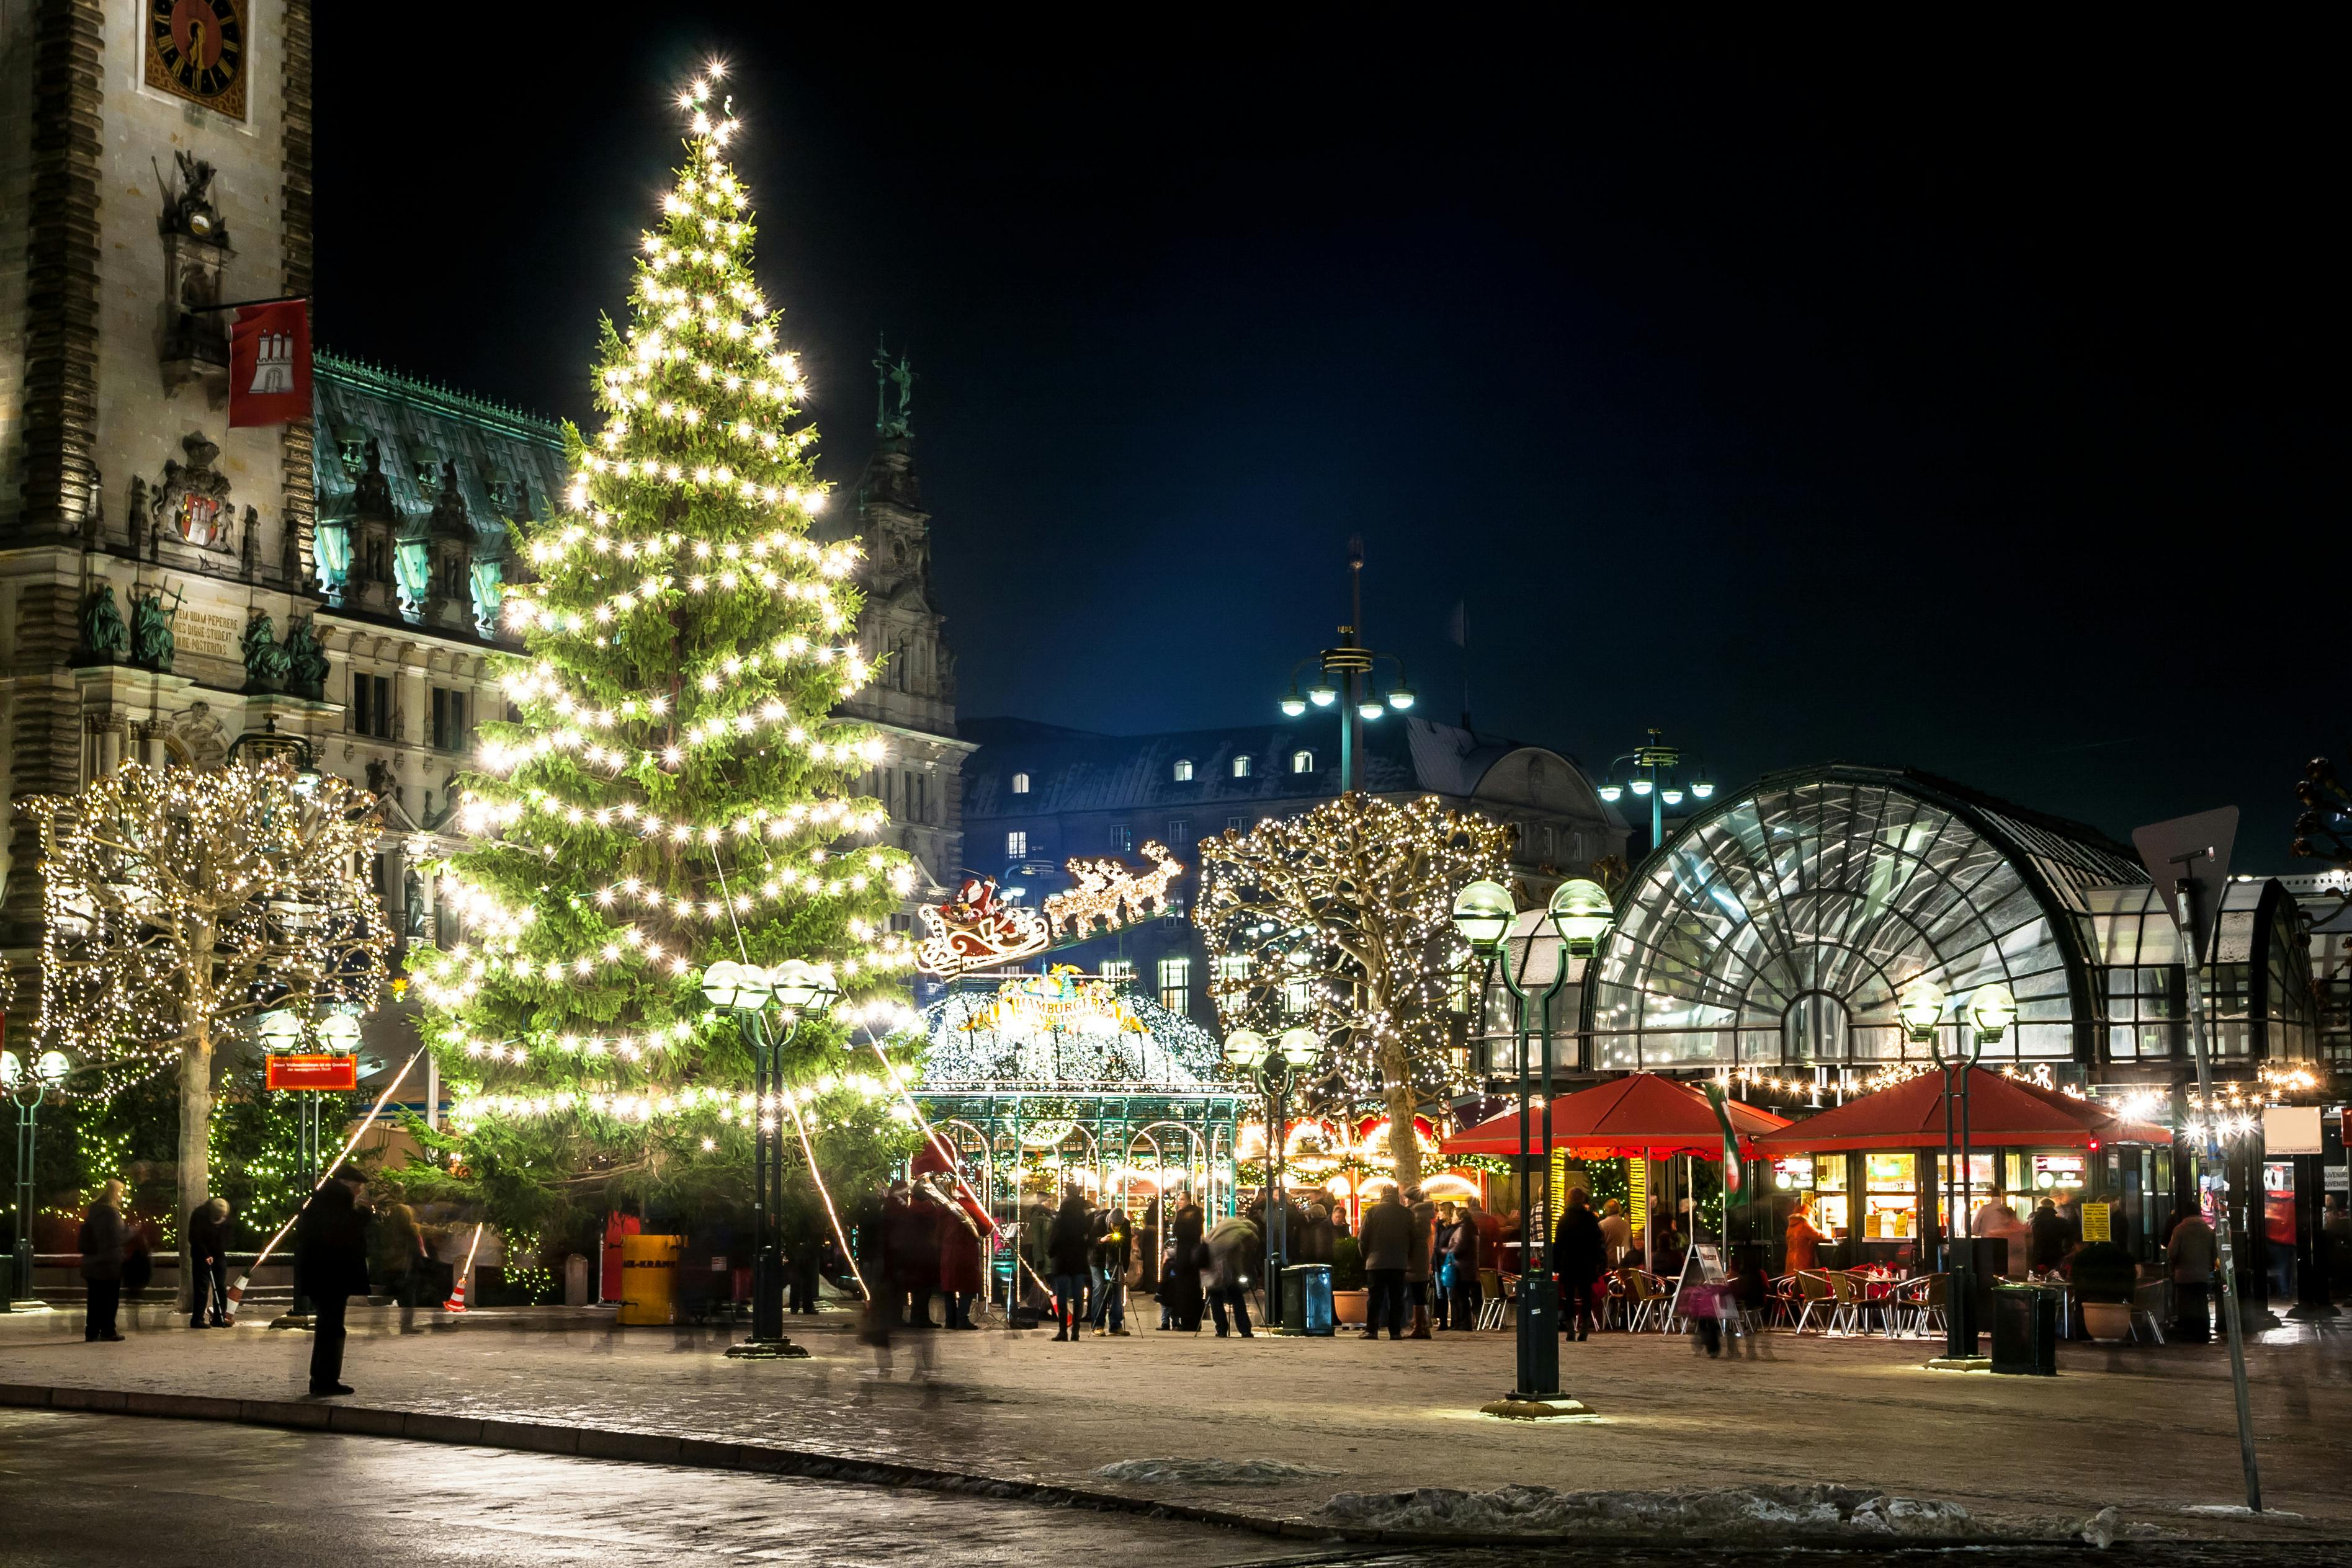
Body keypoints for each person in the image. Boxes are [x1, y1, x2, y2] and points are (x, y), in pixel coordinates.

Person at [295, 1167, 373, 1396]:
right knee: (332, 1328)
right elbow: (344, 1232)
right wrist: (365, 1215)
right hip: (332, 1276)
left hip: (323, 1275)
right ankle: (325, 1380)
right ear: (348, 1184)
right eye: (358, 1187)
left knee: (328, 1327)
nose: (360, 1192)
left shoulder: (322, 1200)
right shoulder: (337, 1201)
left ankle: (322, 1378)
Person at [1357, 1183, 1415, 1341]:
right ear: (1397, 1195)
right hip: (1399, 1262)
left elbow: (1363, 1238)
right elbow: (1413, 1239)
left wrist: (1367, 1256)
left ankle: (1372, 1330)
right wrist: (1406, 1257)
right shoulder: (1407, 1214)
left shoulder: (1373, 1212)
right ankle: (1395, 1332)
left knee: (1375, 1298)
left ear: (1383, 1193)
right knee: (1397, 1298)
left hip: (1376, 1262)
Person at [1553, 1188, 1606, 1341]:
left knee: (1568, 1296)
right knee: (1586, 1295)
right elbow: (1597, 1242)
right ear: (1583, 1199)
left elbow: (1559, 1243)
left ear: (1568, 1199)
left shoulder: (1564, 1219)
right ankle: (1585, 1328)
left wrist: (1556, 1264)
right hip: (1586, 1261)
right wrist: (1598, 1262)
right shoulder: (1589, 1218)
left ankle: (1570, 1328)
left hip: (1568, 1261)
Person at [79, 1182, 128, 1342]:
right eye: (120, 1192)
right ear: (114, 1193)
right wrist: (133, 1230)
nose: (122, 1195)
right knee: (110, 1298)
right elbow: (117, 1237)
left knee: (94, 1299)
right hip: (109, 1263)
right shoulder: (112, 1214)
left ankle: (91, 1331)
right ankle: (108, 1330)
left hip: (92, 1262)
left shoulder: (93, 1212)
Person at [373, 1201, 429, 1333]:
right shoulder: (411, 1231)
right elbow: (416, 1252)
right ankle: (406, 1326)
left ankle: (379, 1326)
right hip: (405, 1269)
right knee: (408, 1298)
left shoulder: (386, 1230)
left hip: (389, 1268)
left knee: (387, 1297)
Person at [1202, 1211, 1259, 1337]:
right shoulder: (1247, 1234)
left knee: (1216, 1295)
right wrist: (1243, 1274)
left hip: (1211, 1263)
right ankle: (1245, 1330)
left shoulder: (1228, 1223)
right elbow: (1240, 1258)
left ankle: (1221, 1330)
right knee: (1236, 1295)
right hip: (1225, 1267)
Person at [1045, 1189, 1093, 1342]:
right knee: (1079, 1297)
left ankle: (1063, 1331)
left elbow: (1053, 1242)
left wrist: (1051, 1252)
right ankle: (1076, 1331)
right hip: (1078, 1263)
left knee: (1062, 1297)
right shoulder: (1083, 1222)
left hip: (1063, 1263)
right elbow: (1091, 1242)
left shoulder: (1061, 1221)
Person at [2168, 1206, 2218, 1344]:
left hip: (2184, 1275)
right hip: (2202, 1275)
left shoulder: (2179, 1230)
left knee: (2186, 1304)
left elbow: (2173, 1253)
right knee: (2202, 1303)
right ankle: (2203, 1333)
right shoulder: (2208, 1231)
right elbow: (2215, 1253)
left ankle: (2189, 1333)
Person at [1160, 1195, 1205, 1332]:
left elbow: (1177, 1232)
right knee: (1193, 1290)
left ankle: (1186, 1321)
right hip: (1193, 1257)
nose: (1179, 1202)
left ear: (1188, 1200)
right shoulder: (1197, 1214)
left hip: (1185, 1257)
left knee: (1185, 1290)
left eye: (1182, 1199)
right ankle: (1193, 1322)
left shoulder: (1184, 1214)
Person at [187, 1196, 232, 1329]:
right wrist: (205, 1254)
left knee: (220, 1287)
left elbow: (226, 1237)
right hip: (201, 1255)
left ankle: (219, 1317)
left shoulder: (226, 1216)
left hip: (218, 1255)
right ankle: (197, 1319)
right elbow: (194, 1237)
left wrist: (218, 1252)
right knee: (201, 1288)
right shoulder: (199, 1214)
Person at [1089, 1205, 1132, 1336]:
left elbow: (1127, 1247)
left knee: (1118, 1289)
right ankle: (1097, 1324)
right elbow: (1089, 1241)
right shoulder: (1099, 1221)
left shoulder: (1126, 1224)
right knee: (1100, 1288)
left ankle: (1115, 1324)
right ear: (1109, 1221)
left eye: (1119, 1226)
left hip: (1115, 1260)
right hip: (1097, 1261)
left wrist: (1124, 1268)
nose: (1117, 1228)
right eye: (1115, 1225)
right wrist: (1101, 1241)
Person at [1445, 1198, 1483, 1329]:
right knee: (1463, 1295)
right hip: (1469, 1266)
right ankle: (1463, 1322)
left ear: (1460, 1218)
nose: (1452, 1218)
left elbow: (1459, 1247)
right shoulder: (1471, 1227)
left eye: (1454, 1216)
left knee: (1460, 1295)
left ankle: (1463, 1323)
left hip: (1461, 1267)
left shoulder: (1462, 1229)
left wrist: (1447, 1251)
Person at [1405, 1185, 1436, 1339]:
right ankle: (1422, 1325)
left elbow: (1415, 1235)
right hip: (1420, 1257)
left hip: (1415, 1258)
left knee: (1417, 1293)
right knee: (1418, 1293)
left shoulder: (1417, 1214)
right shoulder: (1421, 1213)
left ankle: (1419, 1326)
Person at [2028, 1196, 2075, 1274]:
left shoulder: (2031, 1220)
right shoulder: (2062, 1222)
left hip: (2036, 1256)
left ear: (2039, 1206)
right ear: (2053, 1206)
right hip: (2055, 1255)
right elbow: (2069, 1240)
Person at [1784, 1205, 1824, 1273]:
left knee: (1791, 1281)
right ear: (1808, 1214)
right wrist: (1830, 1233)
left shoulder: (1791, 1226)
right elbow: (1819, 1237)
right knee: (1802, 1281)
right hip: (1802, 1263)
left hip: (1791, 1262)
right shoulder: (1805, 1225)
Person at [1596, 1198, 1632, 1267]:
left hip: (1610, 1260)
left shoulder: (1602, 1224)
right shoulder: (1626, 1224)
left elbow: (1600, 1243)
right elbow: (1630, 1241)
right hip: (1625, 1259)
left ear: (1606, 1210)